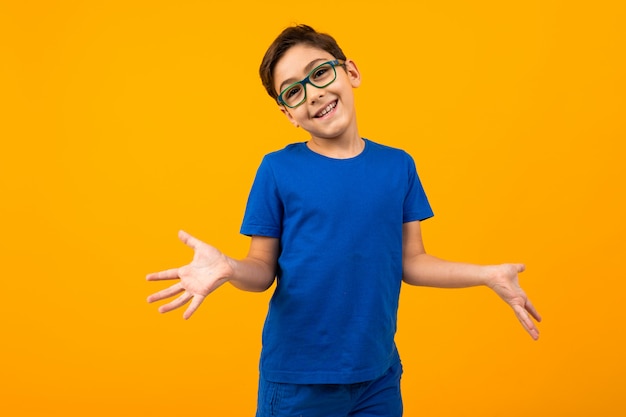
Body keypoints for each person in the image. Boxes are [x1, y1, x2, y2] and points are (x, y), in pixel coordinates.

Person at [147, 24, 541, 417]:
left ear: (350, 72)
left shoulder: (398, 166)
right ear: (288, 114)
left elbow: (413, 261)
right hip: (298, 381)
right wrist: (229, 267)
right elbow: (261, 270)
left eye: (319, 72)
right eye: (294, 91)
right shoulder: (278, 169)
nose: (313, 93)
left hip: (378, 376)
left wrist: (487, 274)